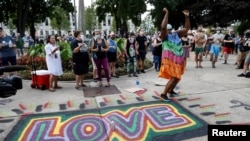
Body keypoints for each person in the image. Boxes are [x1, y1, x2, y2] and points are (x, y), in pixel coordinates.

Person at [159, 8, 190, 101]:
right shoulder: (164, 37)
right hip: (169, 60)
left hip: (178, 59)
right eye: (167, 30)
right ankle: (163, 94)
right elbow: (163, 27)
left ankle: (171, 90)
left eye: (170, 29)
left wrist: (187, 17)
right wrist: (167, 14)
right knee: (174, 77)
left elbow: (187, 28)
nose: (168, 31)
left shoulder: (176, 34)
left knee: (177, 77)